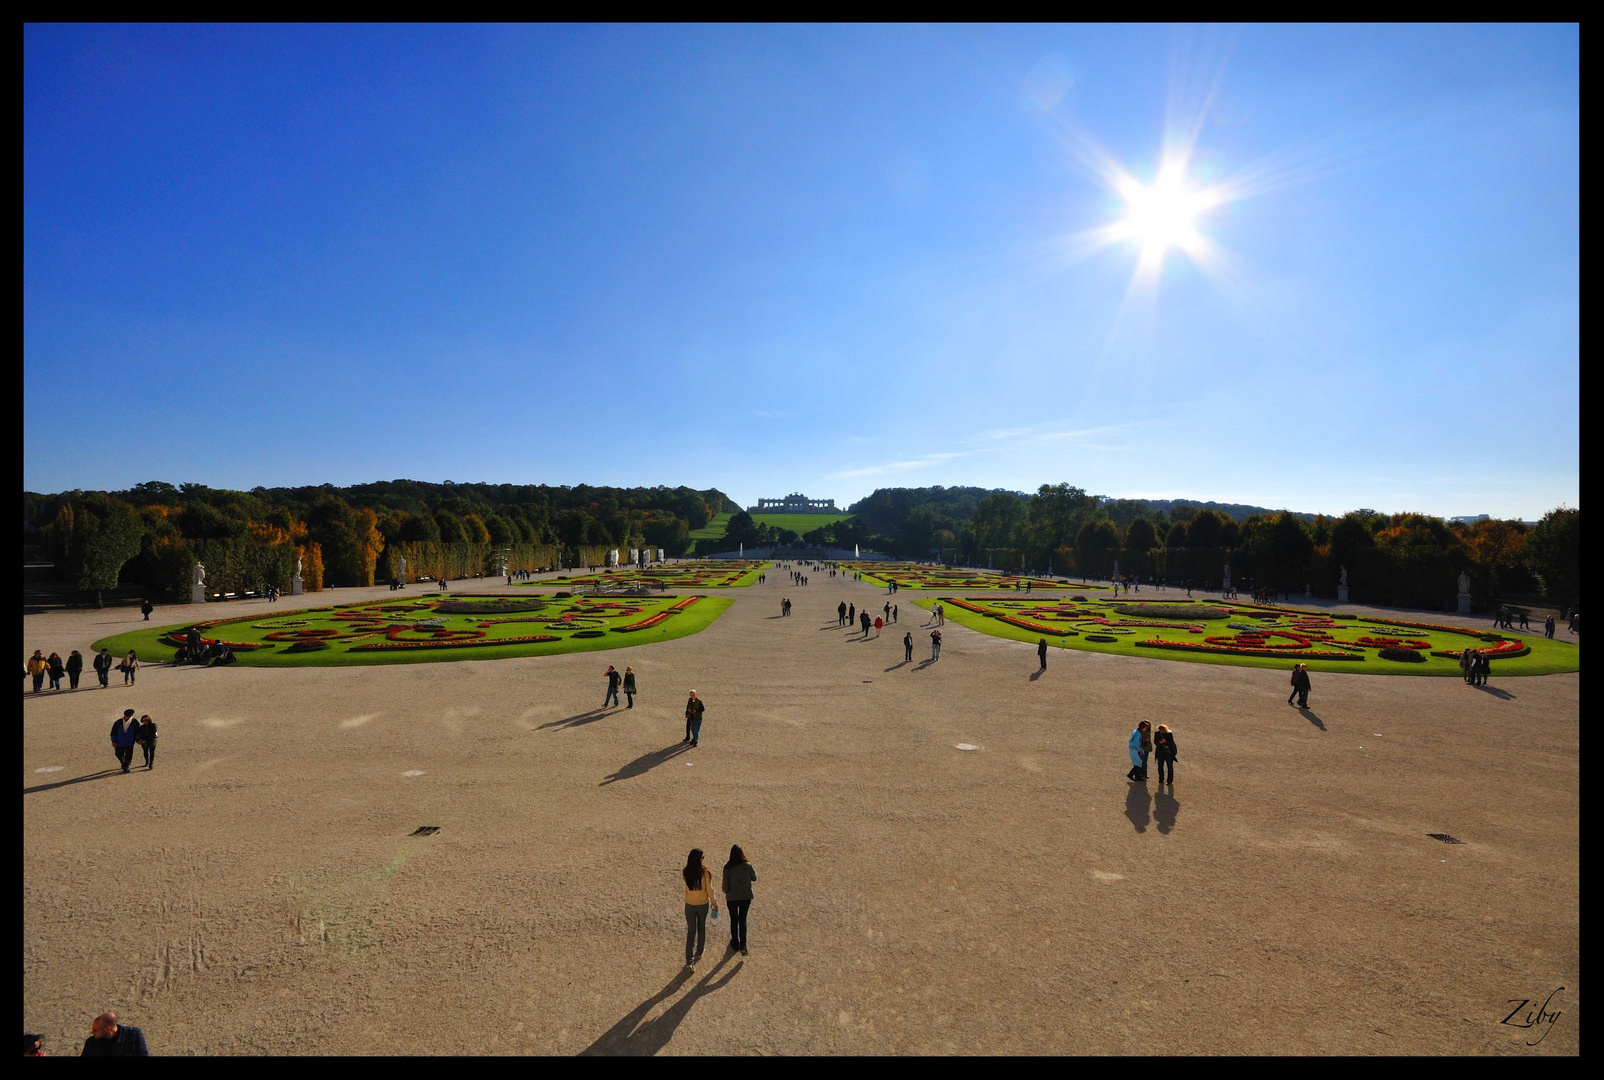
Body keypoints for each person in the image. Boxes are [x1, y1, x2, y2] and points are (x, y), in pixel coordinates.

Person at [682, 849, 718, 969]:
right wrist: (714, 903)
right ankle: (699, 952)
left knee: (691, 931)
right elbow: (709, 890)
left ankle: (689, 960)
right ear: (699, 859)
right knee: (701, 927)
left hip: (689, 904)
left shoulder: (685, 871)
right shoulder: (705, 873)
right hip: (702, 904)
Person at [722, 844, 757, 956]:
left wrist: (727, 891)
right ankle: (743, 945)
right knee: (742, 919)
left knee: (734, 919)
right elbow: (754, 878)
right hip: (745, 897)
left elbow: (725, 886)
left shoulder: (727, 868)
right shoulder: (747, 865)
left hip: (732, 897)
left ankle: (735, 942)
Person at [80, 1012, 148, 1057]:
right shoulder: (92, 1043)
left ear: (108, 1029)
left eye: (95, 1030)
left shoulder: (133, 1036)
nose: (92, 1033)